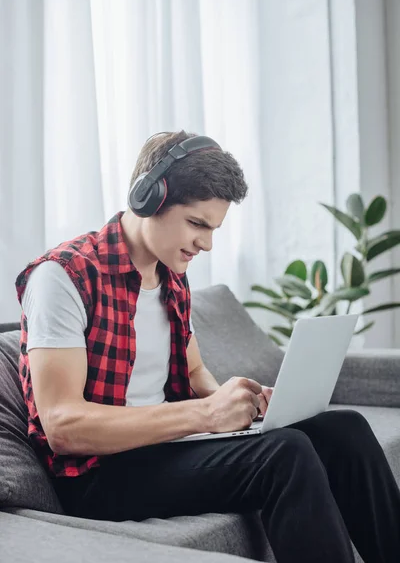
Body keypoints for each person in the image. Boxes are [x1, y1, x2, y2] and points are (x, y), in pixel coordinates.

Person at [16, 130, 400, 563]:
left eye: (214, 228)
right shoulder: (63, 276)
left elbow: (196, 375)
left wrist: (240, 404)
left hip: (164, 450)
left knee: (343, 429)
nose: (207, 243)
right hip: (101, 475)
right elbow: (63, 427)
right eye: (198, 224)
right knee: (285, 454)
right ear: (148, 197)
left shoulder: (170, 276)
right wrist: (205, 415)